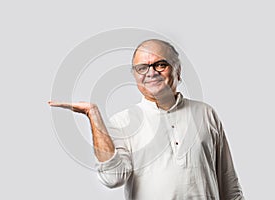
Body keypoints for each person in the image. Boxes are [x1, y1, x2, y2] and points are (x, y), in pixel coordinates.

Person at [49, 39, 245, 200]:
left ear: (178, 71)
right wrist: (93, 116)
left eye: (160, 64)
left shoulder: (206, 113)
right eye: (142, 68)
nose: (151, 72)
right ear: (135, 76)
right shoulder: (122, 122)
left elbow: (229, 184)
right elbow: (112, 178)